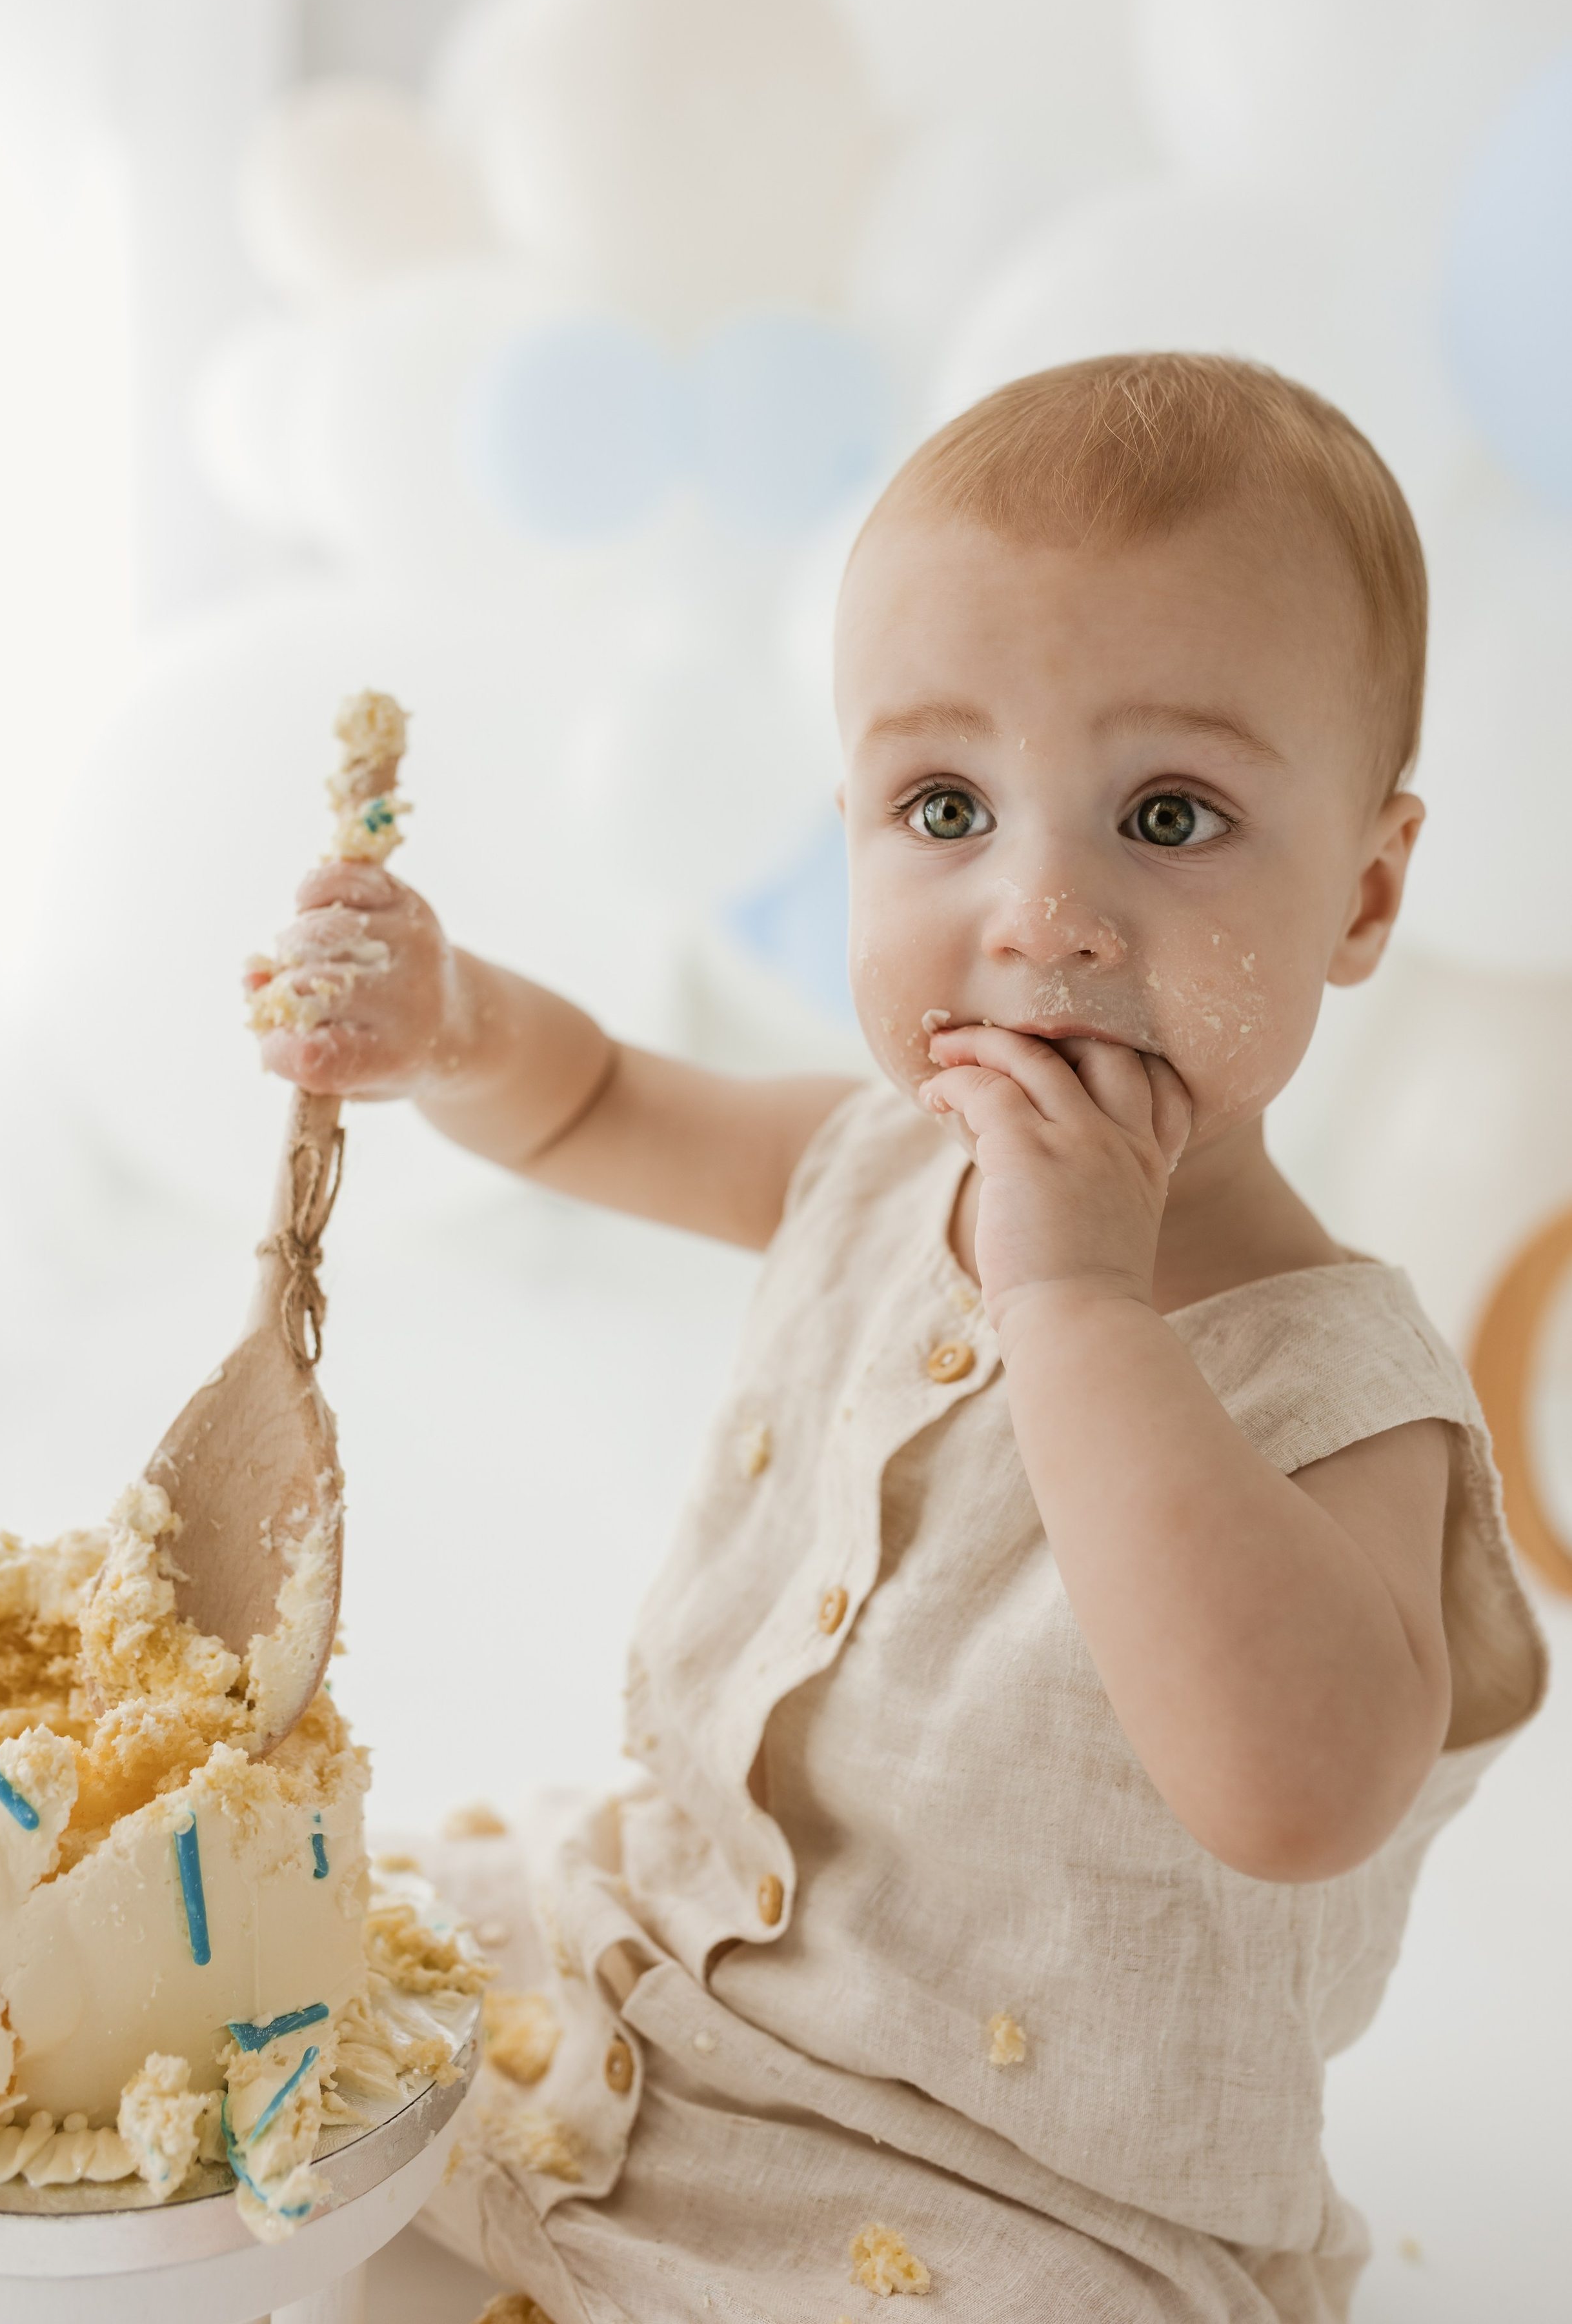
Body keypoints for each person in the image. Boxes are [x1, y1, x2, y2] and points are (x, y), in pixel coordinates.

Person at [251, 355, 1545, 2322]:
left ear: (1363, 894)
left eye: (1171, 815)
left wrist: (1077, 1300)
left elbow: (1296, 1791)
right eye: (946, 807)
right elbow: (600, 1105)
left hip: (1015, 2187)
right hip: (644, 1960)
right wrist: (458, 1030)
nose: (1042, 910)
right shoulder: (874, 1162)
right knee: (271, 1993)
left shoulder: (1345, 1397)